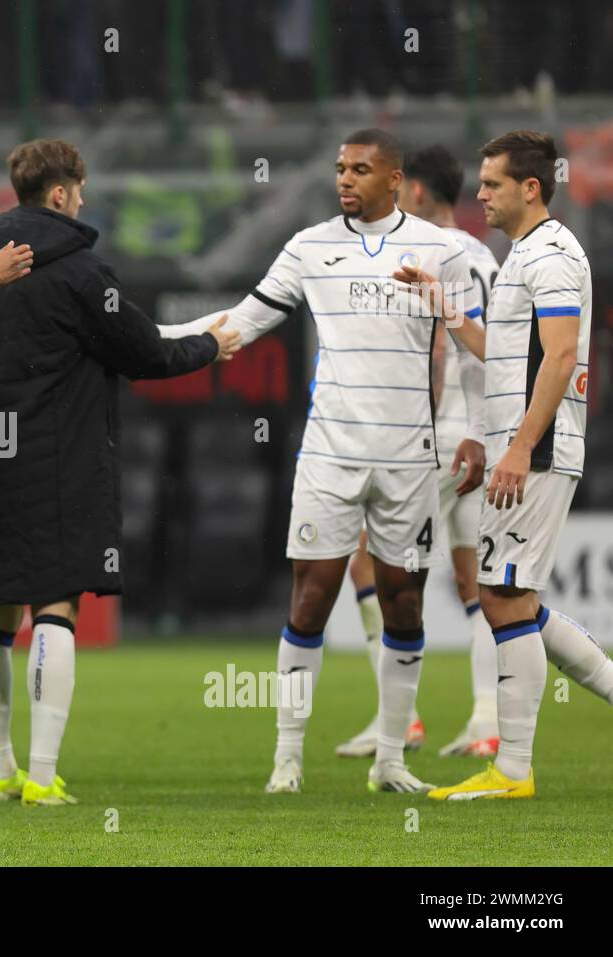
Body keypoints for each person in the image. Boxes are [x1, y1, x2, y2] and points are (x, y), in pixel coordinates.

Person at [166, 129, 487, 795]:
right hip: (330, 454)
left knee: (404, 604)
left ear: (395, 180)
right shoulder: (310, 245)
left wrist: (478, 428)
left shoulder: (442, 249)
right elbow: (248, 318)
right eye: (340, 168)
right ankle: (287, 759)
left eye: (360, 169)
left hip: (409, 459)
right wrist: (164, 338)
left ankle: (392, 759)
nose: (345, 179)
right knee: (311, 597)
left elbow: (474, 346)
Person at [0, 138, 241, 807]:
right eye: (79, 188)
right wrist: (211, 345)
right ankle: (43, 776)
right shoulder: (78, 272)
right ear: (59, 193)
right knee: (56, 603)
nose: (82, 199)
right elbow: (143, 354)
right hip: (56, 462)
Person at [396, 131, 613, 800]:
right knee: (513, 598)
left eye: (491, 183)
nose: (479, 194)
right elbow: (509, 356)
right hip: (522, 443)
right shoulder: (524, 254)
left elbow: (558, 355)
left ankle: (513, 769)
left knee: (504, 596)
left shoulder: (550, 254)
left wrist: (519, 445)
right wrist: (449, 312)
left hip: (540, 450)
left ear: (530, 187)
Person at [336, 145, 501, 761]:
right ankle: (486, 723)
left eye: (402, 193)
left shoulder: (425, 254)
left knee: (363, 559)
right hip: (485, 433)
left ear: (420, 195)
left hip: (432, 435)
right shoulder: (490, 257)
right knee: (477, 579)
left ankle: (397, 720)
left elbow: (432, 353)